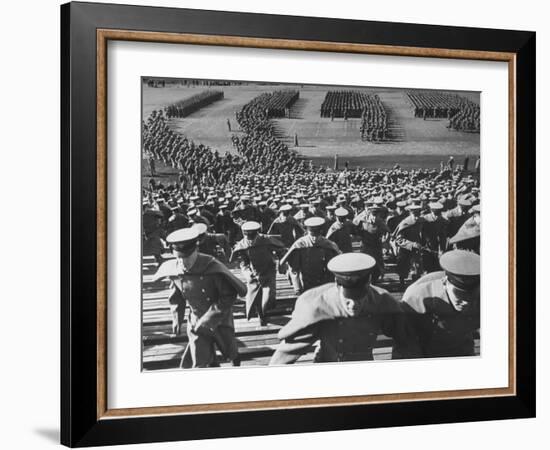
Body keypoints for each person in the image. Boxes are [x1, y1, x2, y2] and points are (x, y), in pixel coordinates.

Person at [269, 253, 420, 364]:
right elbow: (287, 352)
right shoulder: (318, 306)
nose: (353, 305)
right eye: (347, 300)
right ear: (337, 284)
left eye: (360, 299)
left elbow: (406, 338)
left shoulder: (382, 301)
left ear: (368, 285)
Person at [153, 228, 247, 368]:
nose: (184, 262)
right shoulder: (175, 270)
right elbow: (176, 297)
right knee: (199, 360)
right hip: (196, 321)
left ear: (196, 250)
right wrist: (177, 319)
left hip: (219, 319)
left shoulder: (212, 267)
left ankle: (236, 365)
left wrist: (210, 318)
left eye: (188, 257)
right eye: (180, 258)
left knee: (230, 351)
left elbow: (228, 295)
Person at [399, 250, 480, 358]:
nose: (466, 302)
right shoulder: (417, 297)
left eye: (472, 297)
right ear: (445, 282)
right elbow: (405, 345)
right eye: (459, 295)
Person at [230, 221, 286, 326]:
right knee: (256, 297)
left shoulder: (267, 240)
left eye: (253, 237)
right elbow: (243, 262)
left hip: (268, 271)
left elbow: (281, 250)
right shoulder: (242, 245)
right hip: (254, 274)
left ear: (257, 233)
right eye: (248, 237)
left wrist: (281, 263)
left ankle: (266, 309)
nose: (251, 241)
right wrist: (247, 273)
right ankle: (262, 316)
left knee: (268, 295)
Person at [280, 217, 341, 295]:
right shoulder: (300, 244)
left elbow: (334, 267)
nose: (314, 238)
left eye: (316, 233)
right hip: (306, 283)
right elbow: (294, 269)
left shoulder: (328, 245)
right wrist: (297, 287)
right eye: (312, 233)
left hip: (323, 283)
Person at [353, 203, 390, 282]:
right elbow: (355, 226)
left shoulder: (380, 221)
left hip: (376, 245)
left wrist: (385, 240)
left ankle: (375, 278)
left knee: (378, 264)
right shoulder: (363, 220)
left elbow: (387, 231)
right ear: (370, 213)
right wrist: (359, 235)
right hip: (366, 245)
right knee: (366, 262)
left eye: (376, 214)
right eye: (373, 213)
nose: (374, 216)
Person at [393, 204, 425, 287]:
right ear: (410, 213)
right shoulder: (405, 223)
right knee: (403, 267)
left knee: (417, 268)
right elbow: (399, 239)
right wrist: (411, 244)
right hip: (405, 249)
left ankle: (416, 283)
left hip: (417, 249)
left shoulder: (421, 221)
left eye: (418, 214)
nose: (417, 216)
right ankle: (402, 283)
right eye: (415, 214)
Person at [421, 202, 449, 272]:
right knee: (426, 260)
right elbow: (421, 231)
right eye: (436, 211)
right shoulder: (425, 219)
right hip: (425, 242)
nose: (438, 213)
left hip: (435, 242)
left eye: (439, 211)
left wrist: (442, 248)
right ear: (431, 210)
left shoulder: (442, 220)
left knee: (435, 261)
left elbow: (442, 235)